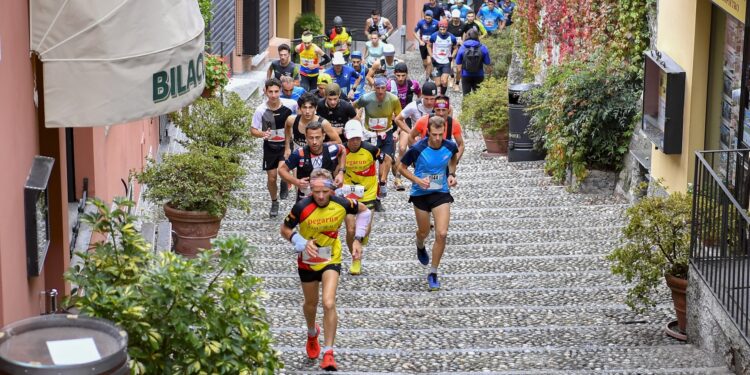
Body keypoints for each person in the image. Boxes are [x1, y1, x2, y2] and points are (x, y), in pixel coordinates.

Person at [279, 168, 371, 371]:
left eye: (325, 192)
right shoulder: (302, 206)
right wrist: (300, 241)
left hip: (331, 258)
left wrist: (357, 240)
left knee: (329, 302)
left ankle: (329, 353)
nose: (320, 196)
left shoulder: (342, 203)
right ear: (311, 190)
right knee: (310, 304)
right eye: (316, 192)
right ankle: (312, 333)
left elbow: (365, 211)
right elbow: (285, 229)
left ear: (332, 189)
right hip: (308, 261)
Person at [397, 116, 459, 291]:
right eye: (434, 135)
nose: (438, 138)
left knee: (442, 233)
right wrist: (416, 180)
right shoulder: (418, 148)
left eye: (440, 134)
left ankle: (433, 272)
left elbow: (454, 157)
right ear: (427, 133)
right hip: (421, 194)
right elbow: (400, 167)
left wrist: (452, 174)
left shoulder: (449, 145)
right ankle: (420, 243)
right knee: (424, 231)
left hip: (440, 192)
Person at [250, 78, 299, 217]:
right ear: (265, 92)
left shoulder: (291, 105)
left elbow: (300, 116)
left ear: (280, 91)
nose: (273, 95)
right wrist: (261, 134)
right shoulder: (260, 110)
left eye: (276, 91)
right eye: (270, 92)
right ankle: (274, 202)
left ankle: (284, 181)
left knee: (282, 170)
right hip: (270, 146)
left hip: (286, 144)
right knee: (271, 178)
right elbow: (252, 130)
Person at [339, 120, 382, 275]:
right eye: (351, 139)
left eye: (357, 138)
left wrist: (382, 180)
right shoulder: (341, 150)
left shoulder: (371, 149)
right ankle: (355, 259)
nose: (355, 142)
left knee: (364, 228)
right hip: (348, 192)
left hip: (368, 191)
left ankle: (362, 236)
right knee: (351, 229)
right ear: (346, 137)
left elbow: (387, 160)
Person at [353, 77, 403, 212]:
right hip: (370, 135)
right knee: (367, 167)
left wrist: (397, 132)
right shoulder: (366, 98)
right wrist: (356, 120)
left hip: (386, 133)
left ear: (386, 88)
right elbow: (352, 107)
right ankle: (365, 197)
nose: (380, 92)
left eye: (383, 88)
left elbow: (400, 118)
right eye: (377, 88)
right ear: (373, 88)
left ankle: (379, 194)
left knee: (385, 163)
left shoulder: (393, 99)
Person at [279, 120, 346, 201]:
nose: (314, 142)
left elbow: (342, 150)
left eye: (317, 137)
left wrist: (341, 172)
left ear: (323, 136)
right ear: (306, 137)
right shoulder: (299, 154)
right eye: (311, 138)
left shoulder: (331, 149)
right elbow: (282, 170)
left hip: (327, 196)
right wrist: (296, 182)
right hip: (306, 197)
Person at [394, 81, 437, 189]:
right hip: (416, 138)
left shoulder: (440, 105)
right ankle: (398, 177)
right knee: (402, 148)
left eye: (432, 99)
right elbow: (398, 119)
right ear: (422, 95)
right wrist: (410, 132)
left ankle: (432, 183)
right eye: (427, 98)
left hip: (434, 137)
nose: (429, 102)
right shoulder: (413, 106)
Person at [385, 63, 421, 191]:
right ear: (394, 74)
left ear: (407, 74)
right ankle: (395, 164)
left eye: (403, 75)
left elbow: (420, 97)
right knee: (390, 152)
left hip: (405, 120)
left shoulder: (413, 84)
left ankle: (398, 178)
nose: (400, 78)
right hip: (391, 121)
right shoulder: (389, 85)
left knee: (402, 148)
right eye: (398, 75)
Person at [409, 95, 465, 162]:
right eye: (438, 110)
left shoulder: (454, 124)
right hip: (425, 160)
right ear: (434, 109)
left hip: (444, 161)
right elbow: (410, 137)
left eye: (444, 110)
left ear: (448, 110)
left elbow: (461, 145)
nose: (441, 113)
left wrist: (454, 161)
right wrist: (416, 155)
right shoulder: (423, 121)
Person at [456, 28, 492, 95]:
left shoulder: (462, 48)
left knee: (466, 96)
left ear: (467, 36)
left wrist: (457, 80)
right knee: (479, 97)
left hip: (465, 75)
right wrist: (489, 78)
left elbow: (458, 68)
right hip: (479, 75)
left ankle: (466, 105)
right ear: (477, 36)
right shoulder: (483, 47)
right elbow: (488, 64)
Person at [428, 19, 458, 95]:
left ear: (447, 28)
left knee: (444, 81)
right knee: (437, 83)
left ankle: (442, 96)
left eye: (444, 29)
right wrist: (431, 56)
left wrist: (452, 56)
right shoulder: (434, 36)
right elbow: (428, 45)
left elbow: (455, 48)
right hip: (436, 62)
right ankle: (436, 92)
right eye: (440, 29)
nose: (442, 31)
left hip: (446, 62)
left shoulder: (452, 37)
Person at [414, 10, 439, 82]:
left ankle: (427, 78)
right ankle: (430, 74)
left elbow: (440, 32)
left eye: (429, 18)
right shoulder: (420, 22)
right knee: (425, 63)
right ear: (424, 17)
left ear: (432, 17)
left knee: (429, 62)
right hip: (423, 44)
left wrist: (436, 41)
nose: (427, 20)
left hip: (431, 45)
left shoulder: (436, 23)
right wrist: (420, 41)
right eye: (426, 18)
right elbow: (414, 32)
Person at [447, 9, 465, 91]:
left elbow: (465, 34)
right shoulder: (448, 24)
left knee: (459, 68)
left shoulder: (463, 25)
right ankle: (451, 77)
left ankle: (457, 83)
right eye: (454, 18)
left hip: (459, 47)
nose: (455, 20)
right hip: (450, 47)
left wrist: (463, 41)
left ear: (459, 18)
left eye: (457, 18)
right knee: (450, 64)